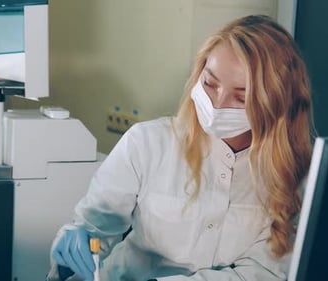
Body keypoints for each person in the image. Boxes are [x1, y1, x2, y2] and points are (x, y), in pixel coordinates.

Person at [46, 14, 313, 281]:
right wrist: (75, 240)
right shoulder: (148, 142)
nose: (217, 103)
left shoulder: (293, 175)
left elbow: (263, 273)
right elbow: (94, 228)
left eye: (241, 97)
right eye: (210, 83)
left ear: (274, 102)